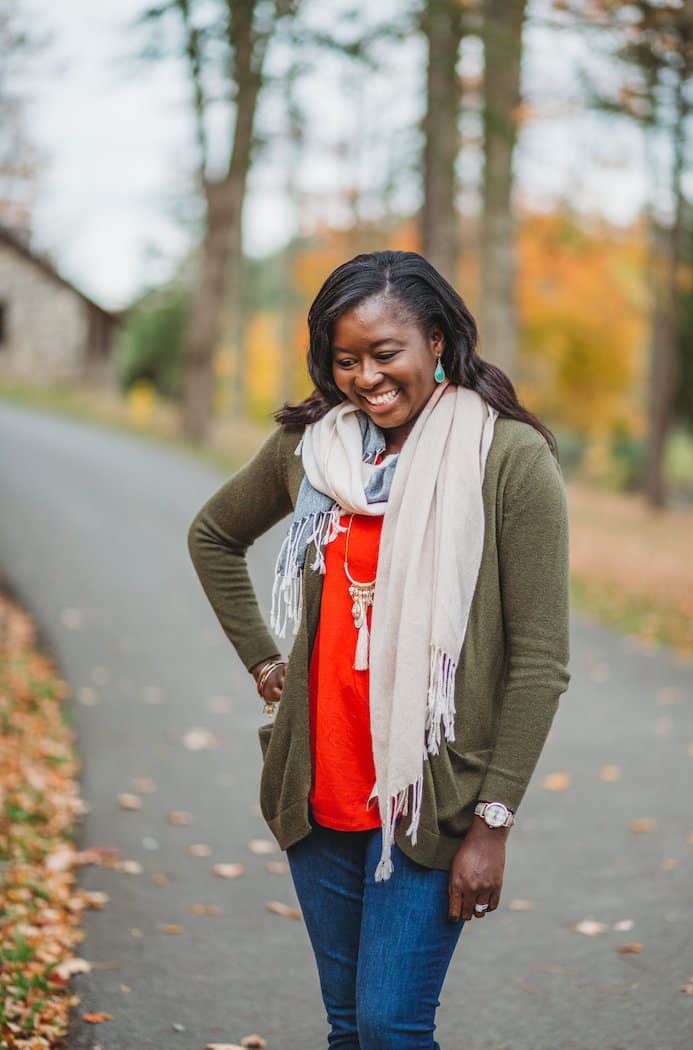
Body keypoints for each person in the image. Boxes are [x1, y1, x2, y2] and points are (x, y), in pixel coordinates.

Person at [187, 249, 571, 1049]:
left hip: (431, 798)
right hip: (320, 783)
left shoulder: (507, 459)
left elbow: (539, 662)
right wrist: (265, 661)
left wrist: (492, 824)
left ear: (436, 340)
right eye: (345, 359)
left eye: (385, 353)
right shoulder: (313, 452)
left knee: (392, 1026)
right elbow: (214, 535)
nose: (366, 377)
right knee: (348, 1028)